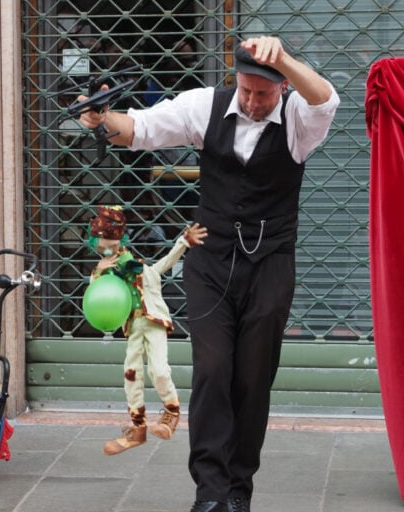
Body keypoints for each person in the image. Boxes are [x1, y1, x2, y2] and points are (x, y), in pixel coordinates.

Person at [78, 36, 339, 512]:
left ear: (282, 88)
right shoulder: (207, 106)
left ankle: (240, 490)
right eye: (245, 91)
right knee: (214, 370)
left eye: (263, 94)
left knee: (253, 377)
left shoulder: (300, 119)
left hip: (271, 263)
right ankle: (210, 492)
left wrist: (282, 59)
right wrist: (101, 119)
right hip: (210, 260)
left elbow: (326, 98)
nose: (252, 102)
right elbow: (137, 129)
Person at [88, 205, 207, 456]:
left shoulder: (140, 269)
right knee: (131, 374)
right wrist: (99, 270)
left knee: (159, 370)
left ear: (119, 241)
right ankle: (137, 427)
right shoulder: (106, 273)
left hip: (153, 323)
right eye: (100, 245)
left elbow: (164, 264)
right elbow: (95, 294)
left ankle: (171, 413)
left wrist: (183, 242)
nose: (104, 249)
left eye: (107, 243)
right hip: (132, 325)